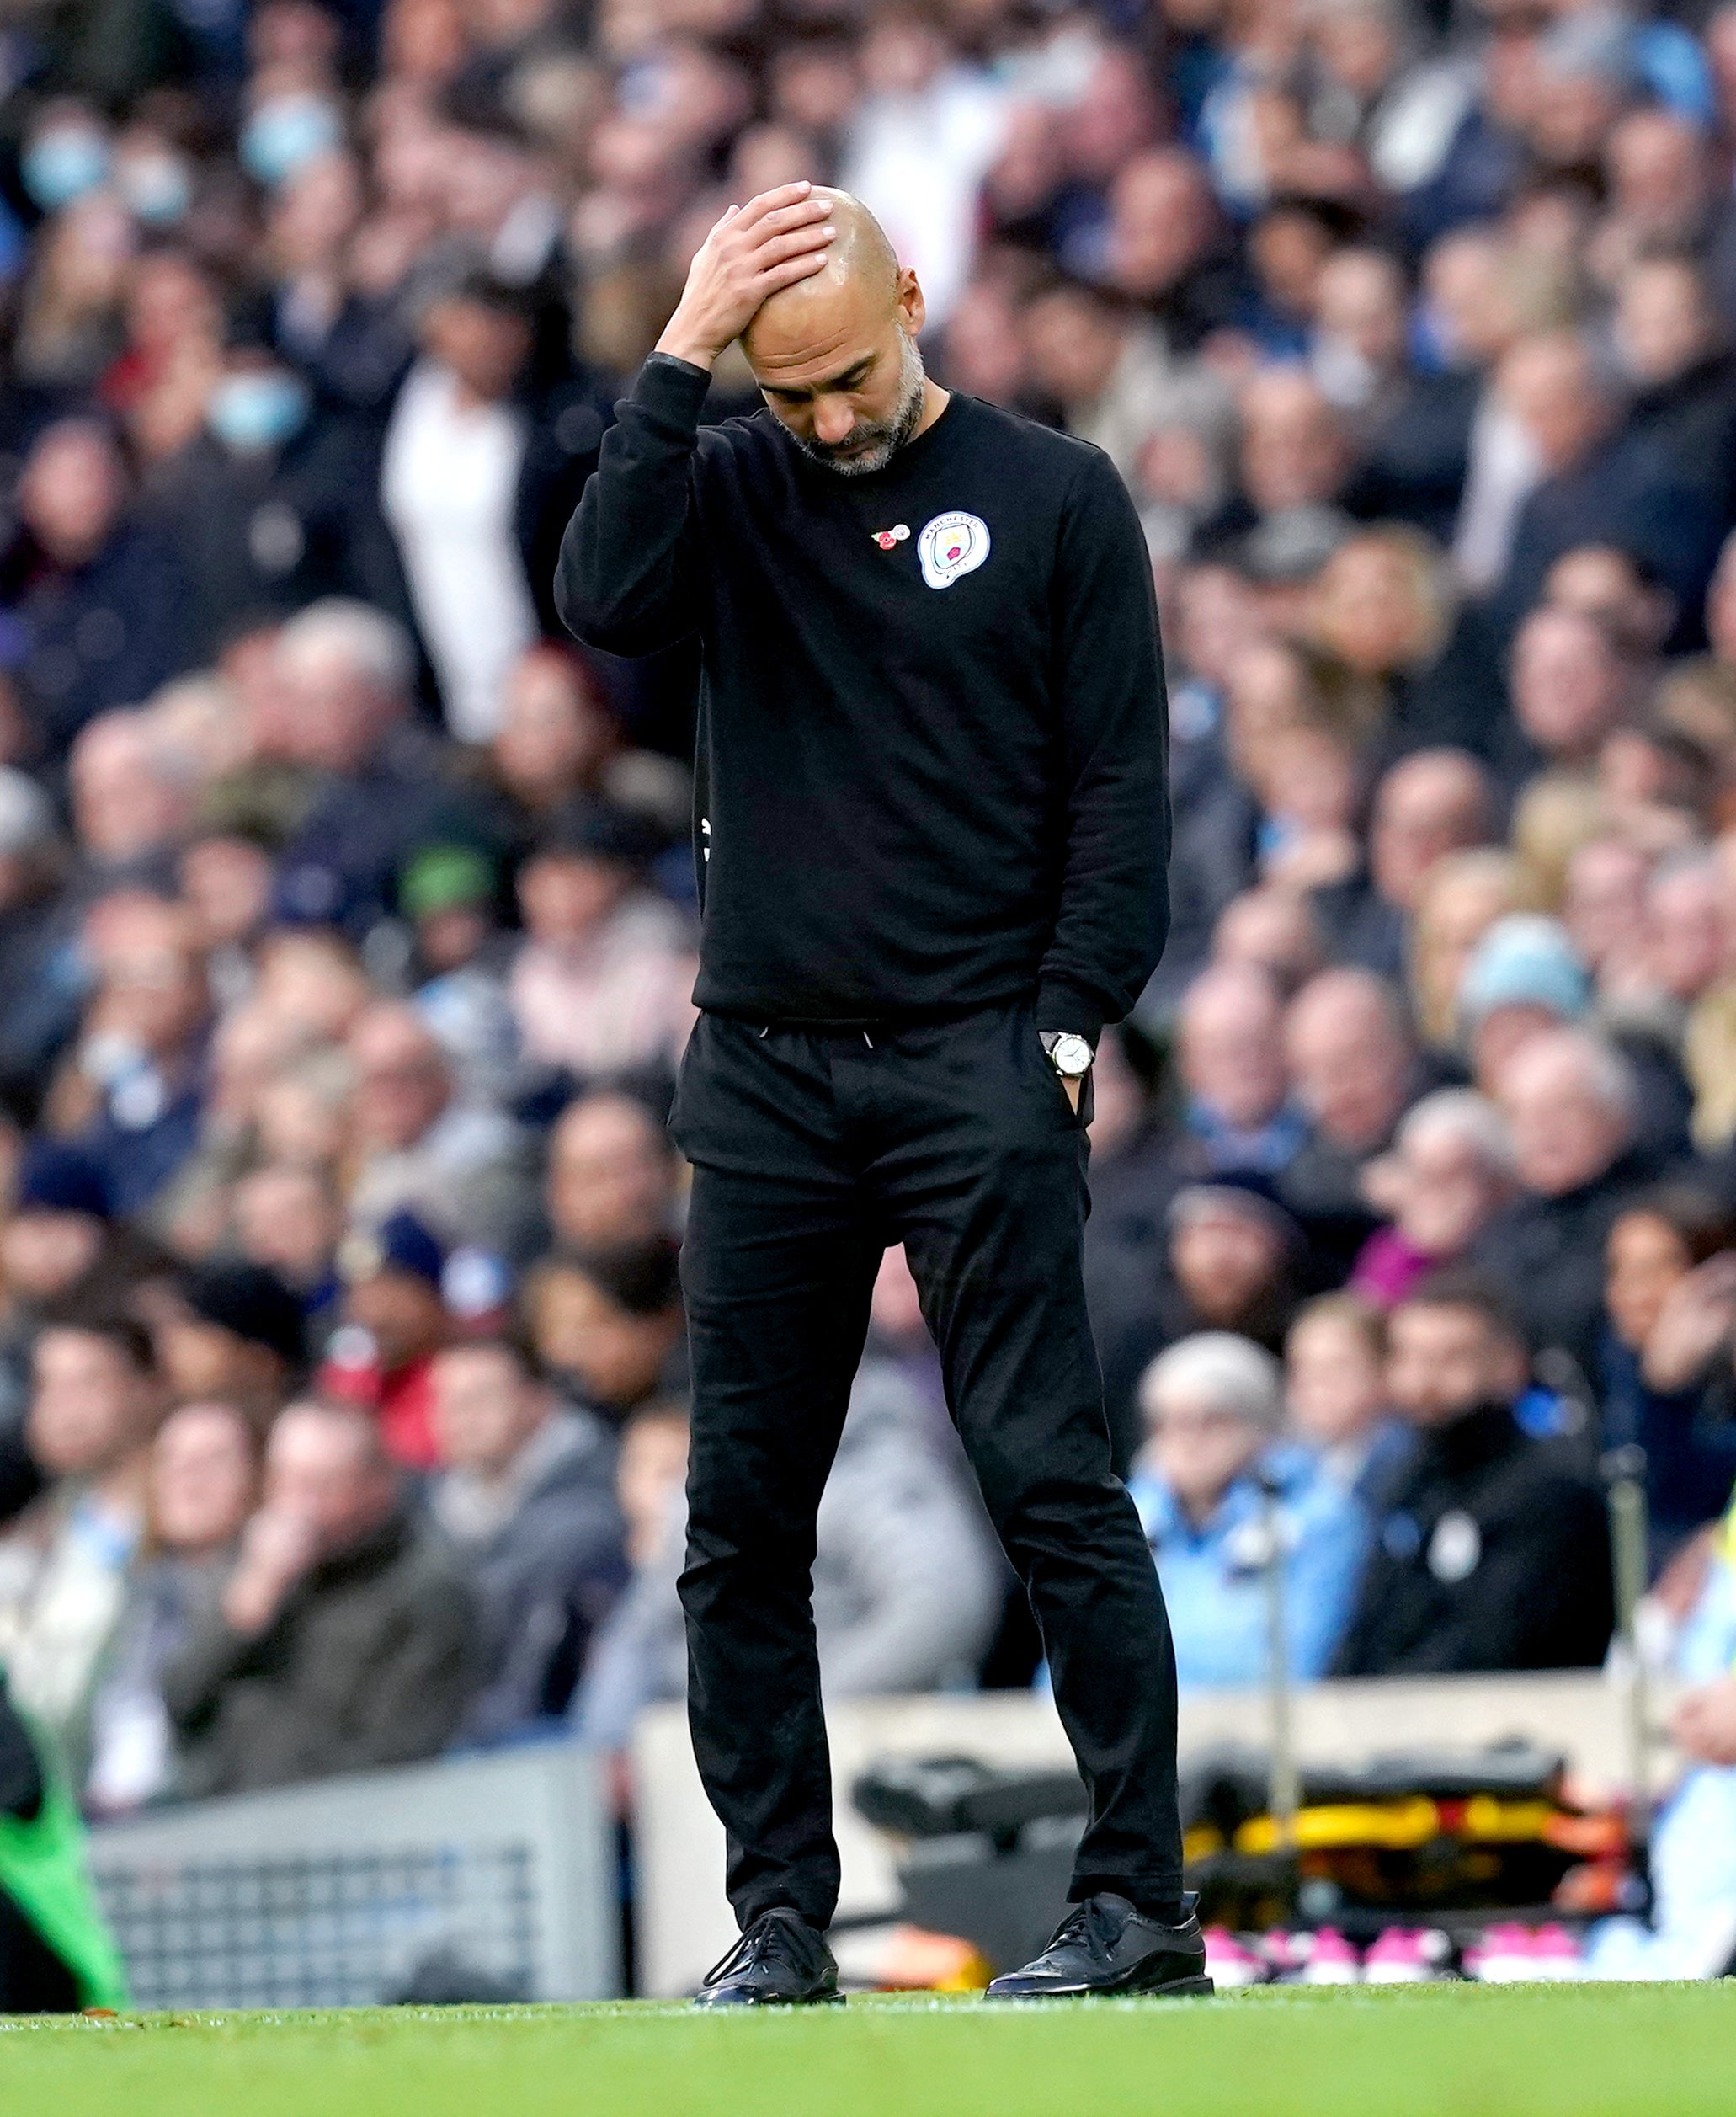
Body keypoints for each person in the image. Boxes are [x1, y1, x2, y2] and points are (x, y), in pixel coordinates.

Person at [557, 184, 1201, 2005]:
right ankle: (778, 1921)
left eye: (845, 376)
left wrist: (1061, 1034)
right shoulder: (733, 472)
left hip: (970, 1061)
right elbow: (601, 603)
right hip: (760, 1072)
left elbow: (1118, 805)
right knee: (741, 1520)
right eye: (789, 391)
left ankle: (1137, 1905)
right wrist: (682, 363)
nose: (828, 419)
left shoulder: (1056, 494)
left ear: (915, 299)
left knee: (1045, 1480)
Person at [162, 1398, 478, 1795]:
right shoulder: (252, 1561)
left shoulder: (426, 1591)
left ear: (376, 1487)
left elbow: (396, 1759)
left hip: (330, 1825)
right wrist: (242, 1614)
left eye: (321, 1486)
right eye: (284, 1482)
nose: (298, 1507)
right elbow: (179, 1703)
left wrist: (255, 1737)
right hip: (216, 1813)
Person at [1331, 1271, 1615, 1677]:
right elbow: (1364, 1631)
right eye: (1408, 1357)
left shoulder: (1552, 1494)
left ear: (1509, 1365)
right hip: (1391, 1728)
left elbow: (1496, 1650)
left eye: (1450, 1359)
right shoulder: (1403, 1481)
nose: (1422, 1382)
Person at [1127, 1333, 1369, 1688]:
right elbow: (1069, 1667)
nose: (1189, 1440)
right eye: (1170, 1422)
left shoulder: (1321, 1519)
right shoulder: (1128, 1519)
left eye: (1212, 1420)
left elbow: (1297, 1661)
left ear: (1261, 1426)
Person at [428, 1334, 627, 1744]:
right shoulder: (429, 1519)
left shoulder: (587, 1511)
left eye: (479, 1399)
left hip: (555, 1739)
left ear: (537, 1401)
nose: (459, 1418)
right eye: (447, 1401)